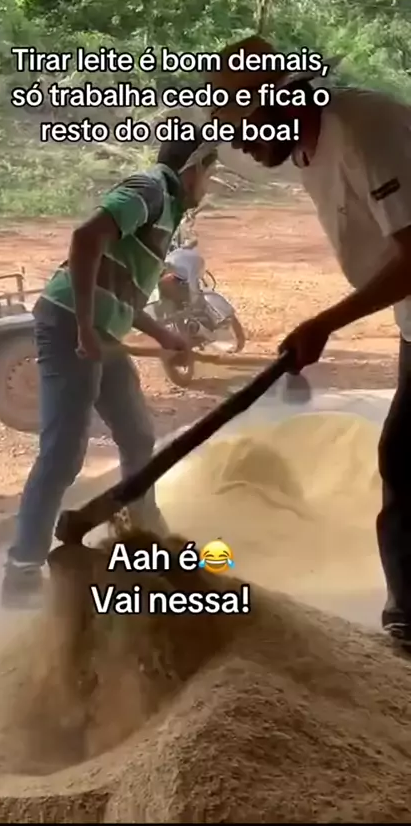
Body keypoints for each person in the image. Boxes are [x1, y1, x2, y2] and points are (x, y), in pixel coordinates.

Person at [197, 34, 411, 652]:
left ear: (282, 100)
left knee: (406, 458)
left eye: (242, 124)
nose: (237, 142)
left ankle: (409, 624)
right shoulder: (310, 149)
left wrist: (325, 323)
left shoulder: (365, 128)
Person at [2, 138, 217, 609]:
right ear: (193, 167)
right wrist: (83, 327)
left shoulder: (167, 213)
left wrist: (165, 336)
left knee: (138, 434)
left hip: (103, 331)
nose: (209, 185)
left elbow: (124, 294)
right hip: (70, 325)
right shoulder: (150, 189)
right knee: (63, 453)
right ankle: (21, 572)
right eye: (209, 172)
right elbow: (85, 239)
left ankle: (143, 530)